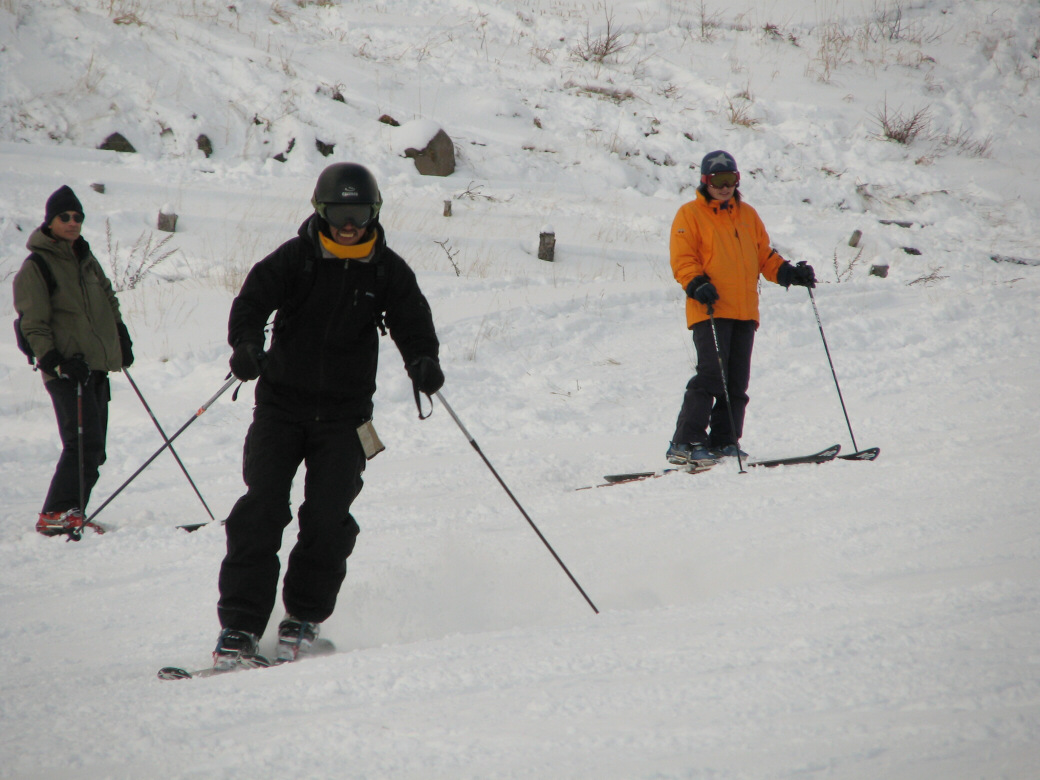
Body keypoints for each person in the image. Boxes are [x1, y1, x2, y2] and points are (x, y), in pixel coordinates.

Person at [214, 162, 444, 668]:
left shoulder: (385, 269)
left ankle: (303, 620)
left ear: (374, 212)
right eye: (339, 213)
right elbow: (251, 302)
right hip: (281, 407)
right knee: (261, 510)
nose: (349, 224)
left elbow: (413, 321)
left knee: (327, 518)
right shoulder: (295, 258)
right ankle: (240, 627)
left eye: (358, 213)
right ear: (321, 211)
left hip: (345, 416)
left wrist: (423, 361)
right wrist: (246, 346)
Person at [666, 150, 816, 465]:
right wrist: (696, 284)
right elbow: (683, 259)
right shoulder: (689, 214)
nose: (725, 187)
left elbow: (764, 256)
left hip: (744, 311)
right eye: (718, 180)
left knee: (736, 382)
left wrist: (789, 273)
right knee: (711, 375)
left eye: (730, 179)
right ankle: (685, 442)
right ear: (705, 181)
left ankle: (724, 441)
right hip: (710, 308)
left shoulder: (748, 215)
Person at [12, 185, 134, 536]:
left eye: (78, 217)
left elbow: (108, 300)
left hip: (94, 367)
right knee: (81, 444)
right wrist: (56, 362)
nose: (72, 222)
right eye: (64, 216)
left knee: (95, 449)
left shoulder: (86, 259)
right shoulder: (37, 265)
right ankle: (55, 513)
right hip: (67, 371)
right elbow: (33, 322)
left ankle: (72, 512)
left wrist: (120, 337)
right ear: (50, 221)